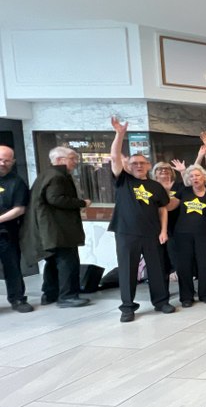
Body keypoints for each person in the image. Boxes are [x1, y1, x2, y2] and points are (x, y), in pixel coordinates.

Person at [108, 116, 177, 322]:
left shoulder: (156, 186)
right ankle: (127, 307)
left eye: (142, 163)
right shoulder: (123, 180)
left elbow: (163, 209)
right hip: (126, 232)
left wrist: (163, 231)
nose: (138, 166)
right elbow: (114, 157)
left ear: (148, 165)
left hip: (152, 234)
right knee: (127, 271)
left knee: (157, 269)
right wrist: (119, 134)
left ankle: (161, 302)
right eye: (134, 163)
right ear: (128, 166)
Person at [22, 146, 92, 308]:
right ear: (60, 160)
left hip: (49, 230)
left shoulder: (46, 174)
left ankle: (50, 294)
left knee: (53, 262)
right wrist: (82, 203)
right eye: (72, 158)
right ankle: (68, 296)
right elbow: (55, 198)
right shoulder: (57, 176)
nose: (75, 162)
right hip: (59, 229)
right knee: (68, 262)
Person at [169, 161, 206, 306]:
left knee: (205, 264)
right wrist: (164, 193)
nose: (195, 178)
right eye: (192, 176)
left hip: (205, 234)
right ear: (188, 179)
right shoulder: (184, 191)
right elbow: (170, 207)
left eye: (198, 175)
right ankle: (186, 297)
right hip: (183, 234)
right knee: (184, 266)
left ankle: (205, 294)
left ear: (204, 177)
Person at [0, 145, 32, 313]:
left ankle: (18, 299)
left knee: (12, 267)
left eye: (6, 160)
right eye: (0, 159)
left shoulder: (17, 182)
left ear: (12, 162)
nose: (2, 163)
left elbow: (19, 209)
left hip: (7, 233)